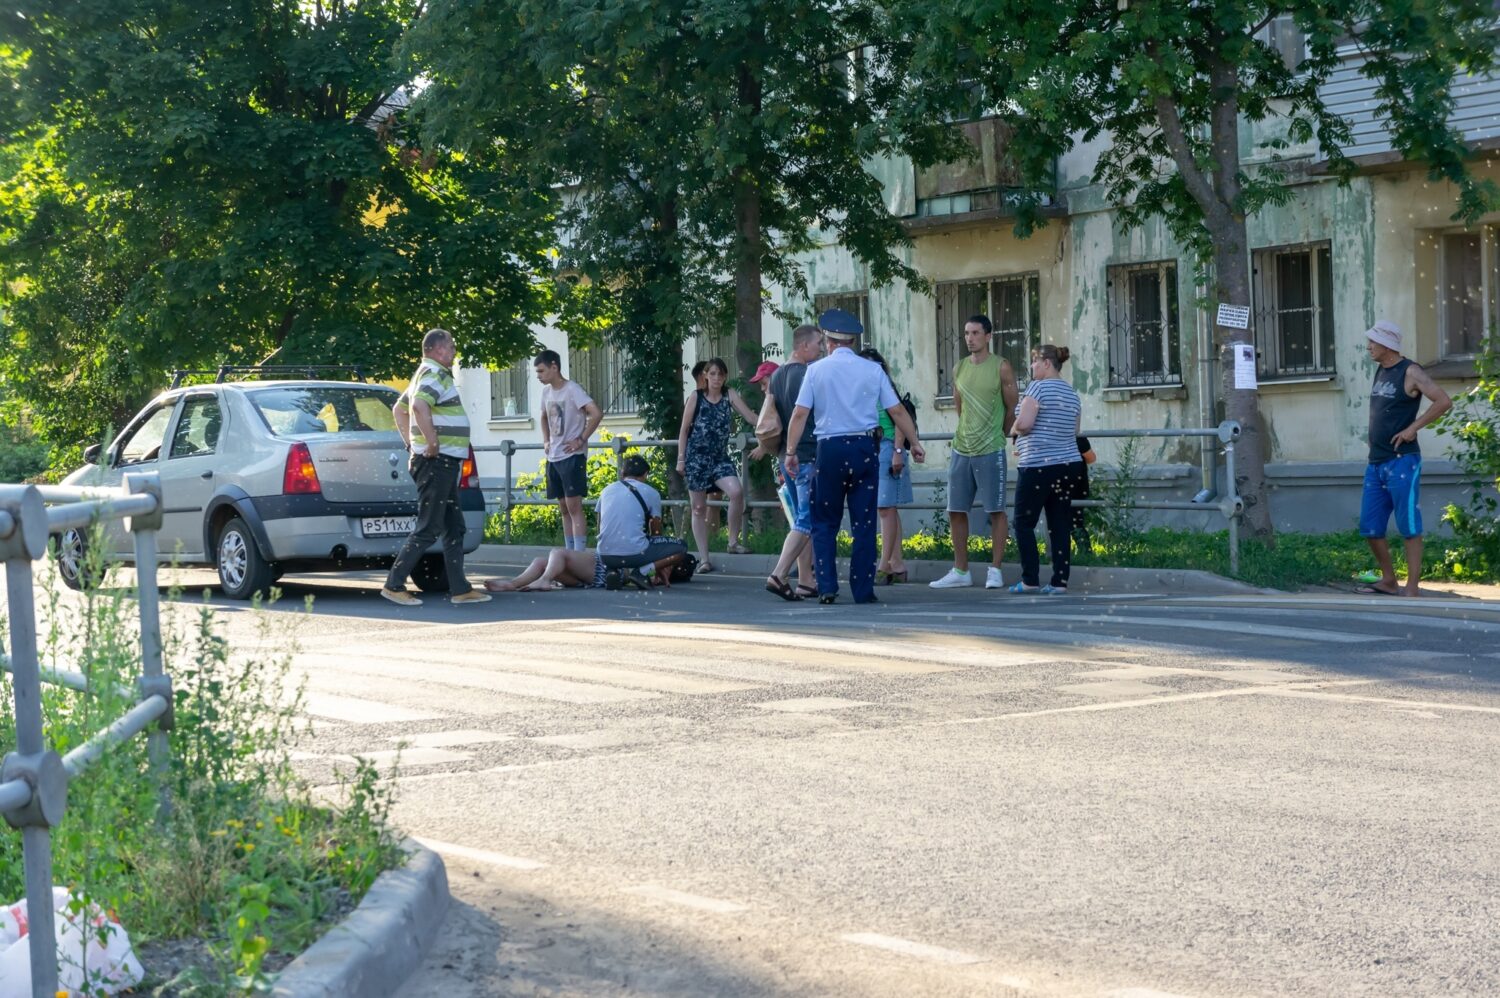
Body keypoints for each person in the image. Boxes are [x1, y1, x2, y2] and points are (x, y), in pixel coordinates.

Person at [783, 309, 925, 605]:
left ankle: (827, 586)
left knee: (824, 521)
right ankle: (863, 590)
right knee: (864, 522)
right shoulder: (872, 370)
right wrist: (915, 442)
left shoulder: (816, 371)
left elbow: (800, 414)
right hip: (863, 448)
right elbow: (896, 410)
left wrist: (791, 452)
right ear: (851, 340)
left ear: (828, 340)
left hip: (830, 449)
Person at [382, 328, 490, 606]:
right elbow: (417, 406)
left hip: (442, 462)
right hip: (437, 462)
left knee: (454, 526)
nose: (454, 351)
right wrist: (429, 443)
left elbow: (399, 409)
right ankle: (394, 584)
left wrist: (410, 444)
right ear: (437, 349)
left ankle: (460, 588)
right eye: (451, 346)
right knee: (429, 526)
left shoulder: (423, 372)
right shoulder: (434, 374)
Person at [1355, 320, 1451, 597]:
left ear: (1388, 344)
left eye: (1373, 341)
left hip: (1402, 461)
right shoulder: (1380, 371)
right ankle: (1388, 579)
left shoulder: (1410, 371)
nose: (1369, 346)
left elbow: (1443, 400)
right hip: (1376, 462)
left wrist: (1412, 429)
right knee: (1370, 527)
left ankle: (1412, 587)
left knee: (1409, 526)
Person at [930, 314, 1019, 591]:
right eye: (967, 333)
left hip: (990, 448)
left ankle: (995, 570)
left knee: (996, 510)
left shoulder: (1001, 367)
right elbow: (961, 408)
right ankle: (961, 570)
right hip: (962, 448)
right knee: (956, 510)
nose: (970, 338)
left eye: (976, 333)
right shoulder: (959, 368)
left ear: (988, 336)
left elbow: (1011, 408)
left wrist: (998, 434)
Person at [1009, 344, 1084, 595]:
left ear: (1046, 363)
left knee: (1023, 522)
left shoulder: (1038, 388)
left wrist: (1015, 430)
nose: (1032, 367)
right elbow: (1073, 431)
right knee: (1059, 522)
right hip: (1068, 465)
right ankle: (1059, 581)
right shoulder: (1072, 393)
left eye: (1034, 362)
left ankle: (1030, 578)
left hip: (1038, 466)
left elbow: (1026, 423)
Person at [756, 326, 821, 600]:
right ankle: (779, 574)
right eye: (818, 343)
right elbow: (801, 414)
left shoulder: (779, 373)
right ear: (804, 346)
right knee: (807, 519)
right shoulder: (803, 374)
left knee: (800, 520)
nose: (822, 348)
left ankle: (806, 580)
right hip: (803, 454)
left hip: (786, 456)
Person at [676, 357, 758, 572]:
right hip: (696, 458)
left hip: (719, 457)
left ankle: (732, 542)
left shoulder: (729, 395)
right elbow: (684, 430)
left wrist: (771, 421)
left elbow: (750, 417)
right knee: (698, 508)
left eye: (720, 374)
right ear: (705, 375)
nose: (716, 378)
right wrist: (681, 458)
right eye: (712, 374)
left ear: (724, 377)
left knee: (736, 492)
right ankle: (704, 558)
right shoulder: (696, 397)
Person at [534, 349, 603, 553]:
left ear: (554, 367)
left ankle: (579, 554)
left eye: (541, 371)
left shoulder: (572, 389)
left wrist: (581, 439)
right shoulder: (546, 392)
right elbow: (544, 416)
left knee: (574, 506)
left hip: (572, 456)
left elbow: (596, 413)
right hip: (554, 456)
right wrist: (546, 440)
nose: (538, 376)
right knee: (563, 507)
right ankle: (568, 550)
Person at [861, 347, 914, 585]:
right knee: (887, 507)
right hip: (872, 446)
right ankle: (897, 564)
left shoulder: (886, 389)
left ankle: (883, 565)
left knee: (884, 507)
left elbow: (900, 418)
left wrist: (898, 451)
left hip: (888, 445)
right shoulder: (861, 391)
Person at [595, 454, 689, 583]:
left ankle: (613, 571)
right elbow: (656, 532)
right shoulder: (651, 492)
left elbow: (599, 525)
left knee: (617, 548)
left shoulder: (606, 490)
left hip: (604, 554)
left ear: (623, 472)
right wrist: (658, 561)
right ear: (645, 474)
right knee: (681, 548)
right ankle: (641, 572)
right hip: (635, 553)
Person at [1072, 436, 1096, 554]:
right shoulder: (1077, 437)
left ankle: (1058, 553)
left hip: (1056, 485)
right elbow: (1091, 458)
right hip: (1077, 486)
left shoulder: (1046, 435)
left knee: (1057, 522)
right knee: (1076, 522)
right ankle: (1085, 552)